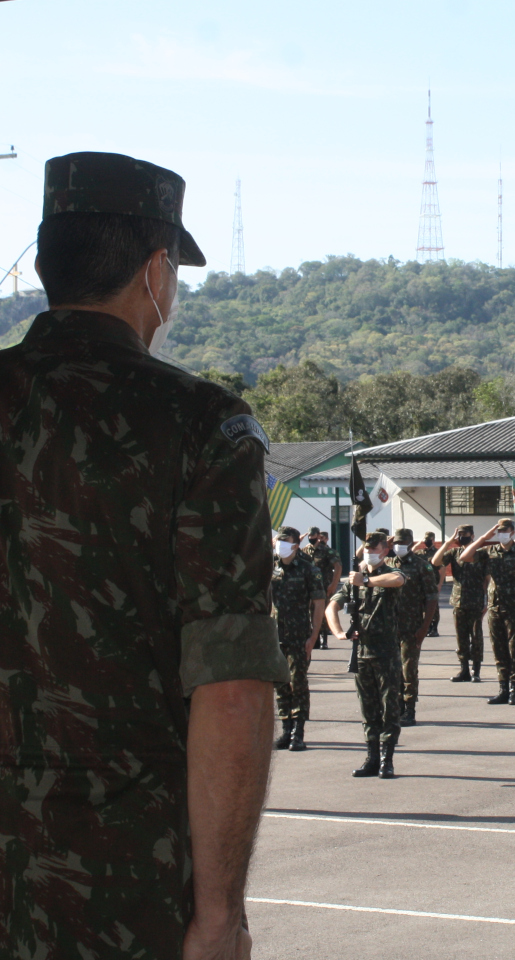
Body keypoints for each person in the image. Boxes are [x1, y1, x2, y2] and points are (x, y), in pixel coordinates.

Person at [1, 151, 290, 959]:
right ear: (156, 271)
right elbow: (231, 689)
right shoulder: (200, 426)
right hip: (122, 886)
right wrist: (219, 912)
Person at [327, 531, 406, 778]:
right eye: (367, 549)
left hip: (386, 652)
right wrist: (339, 632)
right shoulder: (353, 581)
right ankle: (372, 757)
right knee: (368, 708)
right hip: (362, 653)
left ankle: (387, 759)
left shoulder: (389, 573)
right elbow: (332, 606)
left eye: (375, 549)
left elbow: (398, 580)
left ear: (385, 551)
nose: (371, 552)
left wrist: (368, 582)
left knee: (389, 708)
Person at [459, 519, 515, 705]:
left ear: (513, 531)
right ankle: (503, 689)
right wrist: (484, 537)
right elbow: (465, 557)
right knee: (499, 650)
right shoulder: (490, 552)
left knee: (513, 650)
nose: (502, 533)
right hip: (495, 608)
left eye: (505, 530)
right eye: (499, 531)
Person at [271, 527, 326, 752]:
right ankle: (286, 729)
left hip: (299, 635)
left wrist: (314, 636)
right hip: (275, 636)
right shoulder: (271, 568)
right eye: (278, 540)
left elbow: (319, 603)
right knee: (281, 684)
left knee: (298, 683)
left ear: (295, 545)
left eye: (285, 541)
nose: (280, 544)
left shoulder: (308, 570)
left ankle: (298, 732)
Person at [391, 528, 436, 726]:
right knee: (392, 669)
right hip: (390, 626)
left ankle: (409, 708)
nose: (399, 546)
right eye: (396, 542)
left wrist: (425, 627)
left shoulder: (421, 566)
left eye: (403, 543)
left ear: (411, 544)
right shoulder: (387, 564)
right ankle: (397, 706)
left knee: (408, 668)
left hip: (412, 626)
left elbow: (432, 599)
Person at [431, 524, 488, 683]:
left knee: (476, 636)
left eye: (465, 534)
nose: (462, 536)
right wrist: (448, 542)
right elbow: (436, 562)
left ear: (472, 535)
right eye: (460, 534)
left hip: (476, 600)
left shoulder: (480, 553)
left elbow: (487, 579)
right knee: (461, 637)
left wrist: (486, 600)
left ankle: (476, 670)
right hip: (458, 600)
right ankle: (464, 670)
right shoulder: (454, 552)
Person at [303, 525, 341, 649]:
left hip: (323, 586)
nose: (310, 538)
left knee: (323, 613)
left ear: (319, 536)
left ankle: (324, 639)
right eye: (309, 536)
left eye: (313, 536)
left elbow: (338, 566)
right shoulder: (305, 550)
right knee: (310, 613)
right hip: (308, 586)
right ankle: (314, 639)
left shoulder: (326, 551)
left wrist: (334, 584)